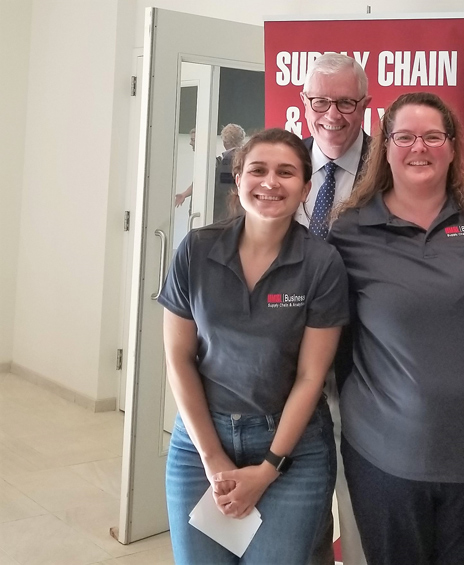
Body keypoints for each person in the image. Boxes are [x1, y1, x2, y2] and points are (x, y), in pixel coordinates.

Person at [327, 92, 464, 565]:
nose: (418, 147)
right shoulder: (351, 230)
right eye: (404, 137)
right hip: (384, 458)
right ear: (385, 146)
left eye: (433, 136)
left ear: (453, 146)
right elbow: (329, 335)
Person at [158, 128, 348, 564]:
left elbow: (311, 377)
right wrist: (212, 458)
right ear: (239, 177)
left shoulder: (322, 263)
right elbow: (179, 359)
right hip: (201, 441)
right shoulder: (197, 249)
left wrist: (268, 469)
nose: (270, 182)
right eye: (258, 170)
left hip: (290, 448)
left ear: (305, 188)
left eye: (286, 172)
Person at [297, 52, 371, 565]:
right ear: (304, 102)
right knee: (299, 518)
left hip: (362, 367)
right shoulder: (286, 163)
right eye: (321, 101)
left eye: (346, 103)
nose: (332, 115)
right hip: (288, 368)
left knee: (361, 511)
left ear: (365, 105)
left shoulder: (391, 167)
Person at [212, 123, 247, 221]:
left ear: (225, 141)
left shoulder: (229, 160)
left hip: (225, 211)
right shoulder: (244, 157)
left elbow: (224, 188)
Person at [174, 128, 196, 208]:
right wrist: (184, 194)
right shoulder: (200, 161)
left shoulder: (209, 163)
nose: (190, 143)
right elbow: (196, 184)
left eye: (193, 140)